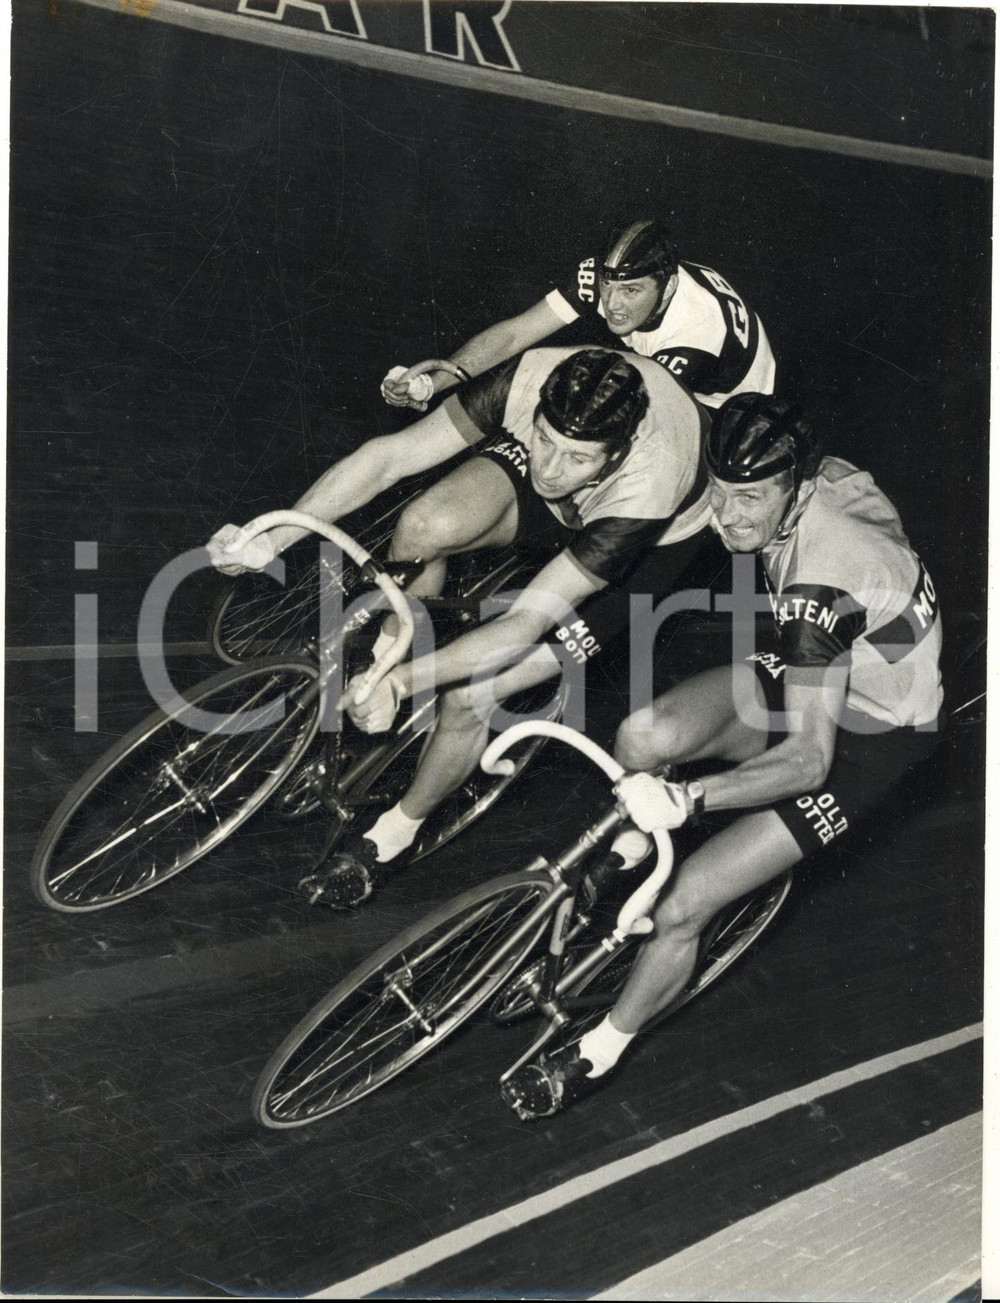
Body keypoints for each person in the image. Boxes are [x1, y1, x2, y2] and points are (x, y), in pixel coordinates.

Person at [501, 392, 944, 1121]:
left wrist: (690, 799)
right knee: (644, 737)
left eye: (750, 499)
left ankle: (600, 1049)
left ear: (797, 489)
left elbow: (808, 763)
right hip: (827, 665)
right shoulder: (824, 476)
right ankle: (629, 853)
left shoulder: (821, 586)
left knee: (685, 902)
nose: (729, 517)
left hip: (874, 738)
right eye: (721, 492)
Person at [208, 347, 712, 907]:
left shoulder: (648, 484)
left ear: (616, 453)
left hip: (644, 547)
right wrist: (270, 538)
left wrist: (404, 684)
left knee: (473, 693)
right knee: (423, 526)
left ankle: (396, 833)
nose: (550, 469)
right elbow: (387, 459)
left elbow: (523, 623)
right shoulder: (529, 378)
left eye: (575, 458)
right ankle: (388, 662)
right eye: (544, 440)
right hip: (575, 489)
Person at [382, 219, 776, 413]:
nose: (613, 303)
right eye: (607, 284)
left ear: (668, 287)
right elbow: (515, 335)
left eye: (631, 291)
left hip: (729, 402)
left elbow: (629, 413)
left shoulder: (695, 332)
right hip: (665, 350)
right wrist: (433, 383)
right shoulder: (612, 279)